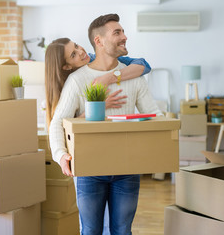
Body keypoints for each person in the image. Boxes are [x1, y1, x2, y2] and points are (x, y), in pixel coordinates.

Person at [48, 13, 162, 235]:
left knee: (122, 231)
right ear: (99, 41)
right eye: (117, 33)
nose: (124, 37)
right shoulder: (78, 79)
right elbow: (57, 123)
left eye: (123, 31)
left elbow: (154, 116)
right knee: (91, 231)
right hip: (89, 171)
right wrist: (61, 155)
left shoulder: (133, 76)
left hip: (127, 168)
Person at [45, 38, 151, 128]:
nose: (81, 52)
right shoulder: (72, 82)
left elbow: (143, 65)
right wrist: (98, 107)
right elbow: (63, 125)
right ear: (67, 66)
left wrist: (109, 77)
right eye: (73, 54)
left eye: (76, 46)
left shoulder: (94, 59)